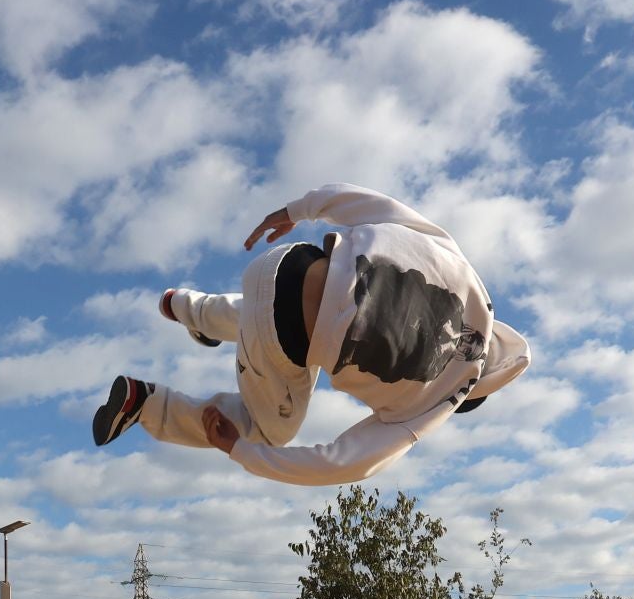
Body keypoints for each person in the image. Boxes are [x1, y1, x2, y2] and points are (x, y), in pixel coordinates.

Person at [91, 183, 529, 485]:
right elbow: (343, 465)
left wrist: (297, 210)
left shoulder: (461, 270)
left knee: (276, 322)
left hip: (284, 261)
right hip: (278, 337)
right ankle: (146, 402)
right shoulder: (434, 406)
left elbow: (378, 204)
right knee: (270, 431)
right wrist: (241, 452)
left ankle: (186, 307)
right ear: (465, 397)